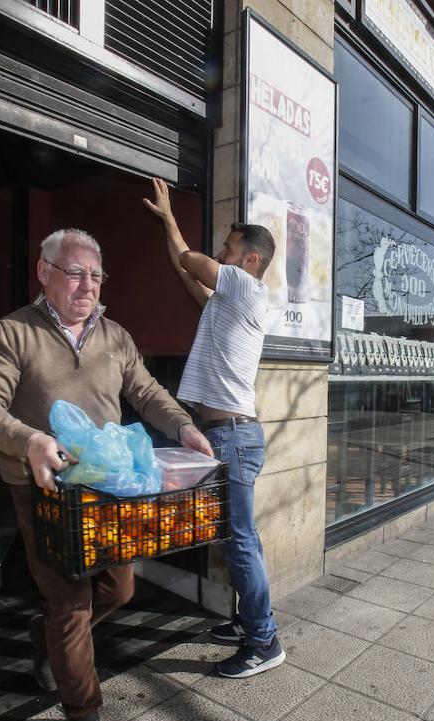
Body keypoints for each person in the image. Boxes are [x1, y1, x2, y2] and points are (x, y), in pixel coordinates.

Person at [0, 228, 213, 721]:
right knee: (70, 601)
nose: (87, 285)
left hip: (106, 487)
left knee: (119, 590)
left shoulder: (115, 336)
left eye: (96, 275)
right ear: (44, 272)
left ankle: (44, 632)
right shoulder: (12, 334)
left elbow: (145, 391)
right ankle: (84, 717)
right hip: (45, 487)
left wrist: (184, 428)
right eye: (75, 272)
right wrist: (29, 440)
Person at [143, 177, 285, 678]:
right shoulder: (228, 302)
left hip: (232, 437)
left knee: (240, 541)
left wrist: (169, 219)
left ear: (249, 260)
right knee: (239, 539)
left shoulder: (247, 287)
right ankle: (248, 622)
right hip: (227, 434)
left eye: (228, 248)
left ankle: (264, 641)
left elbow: (191, 261)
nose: (221, 254)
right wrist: (168, 228)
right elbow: (187, 273)